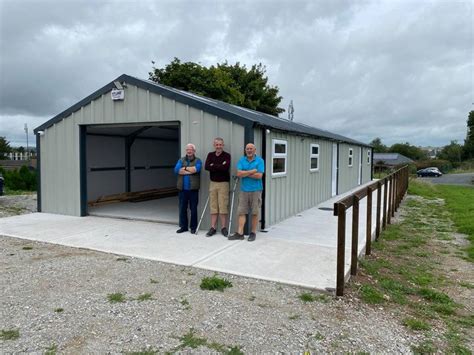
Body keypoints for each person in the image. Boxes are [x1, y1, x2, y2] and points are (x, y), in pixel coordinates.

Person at [228, 143, 264, 242]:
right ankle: (240, 233)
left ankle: (253, 233)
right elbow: (239, 173)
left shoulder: (260, 161)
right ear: (245, 150)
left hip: (256, 190)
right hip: (244, 190)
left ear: (255, 150)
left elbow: (259, 176)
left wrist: (245, 173)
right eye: (247, 149)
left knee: (255, 212)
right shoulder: (241, 160)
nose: (249, 150)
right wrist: (252, 171)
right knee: (241, 212)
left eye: (251, 149)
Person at [204, 137, 231, 237]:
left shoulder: (227, 155)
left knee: (223, 205)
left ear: (223, 145)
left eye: (220, 144)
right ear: (214, 145)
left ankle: (223, 227)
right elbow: (207, 166)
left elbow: (225, 168)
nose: (218, 146)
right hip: (213, 183)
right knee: (213, 205)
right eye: (217, 144)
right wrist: (219, 165)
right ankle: (213, 228)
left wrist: (213, 165)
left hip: (223, 183)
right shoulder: (210, 155)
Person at [174, 143, 202, 234]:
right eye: (187, 150)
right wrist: (190, 170)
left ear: (194, 151)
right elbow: (177, 170)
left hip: (193, 189)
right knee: (182, 208)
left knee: (193, 209)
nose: (189, 151)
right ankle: (184, 227)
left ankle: (193, 227)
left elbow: (197, 169)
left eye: (191, 150)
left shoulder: (198, 160)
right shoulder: (181, 160)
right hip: (182, 189)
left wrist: (184, 169)